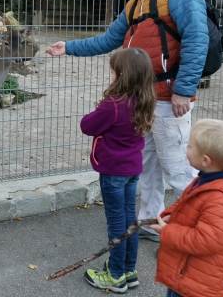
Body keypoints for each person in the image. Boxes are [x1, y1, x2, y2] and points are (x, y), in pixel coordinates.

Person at [46, 0, 209, 242]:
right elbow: (109, 39)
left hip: (169, 99)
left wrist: (184, 90)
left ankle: (199, 234)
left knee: (178, 169)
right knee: (148, 167)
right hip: (145, 101)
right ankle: (151, 223)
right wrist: (68, 47)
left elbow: (197, 39)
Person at [147, 119, 223, 297]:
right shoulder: (206, 180)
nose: (186, 149)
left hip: (200, 285)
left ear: (205, 160)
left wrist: (167, 232)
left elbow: (203, 241)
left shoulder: (222, 201)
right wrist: (170, 215)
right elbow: (186, 203)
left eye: (190, 146)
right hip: (186, 273)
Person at [81, 48, 156, 293]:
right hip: (133, 170)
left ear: (121, 74)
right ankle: (128, 270)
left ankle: (114, 276)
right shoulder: (145, 100)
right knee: (129, 222)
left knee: (116, 225)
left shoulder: (113, 105)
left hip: (113, 173)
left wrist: (99, 108)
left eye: (113, 70)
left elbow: (87, 126)